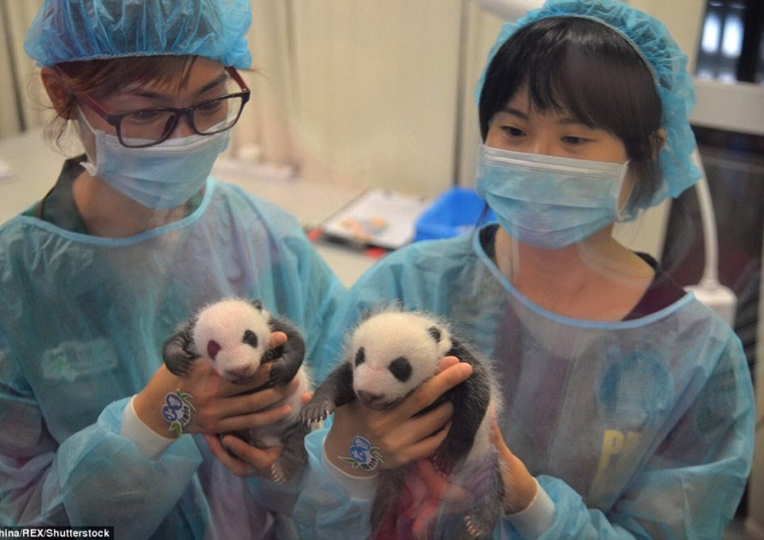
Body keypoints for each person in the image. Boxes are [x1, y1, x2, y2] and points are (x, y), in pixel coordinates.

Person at [291, 0, 756, 538]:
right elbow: (301, 495)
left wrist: (529, 503)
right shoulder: (407, 288)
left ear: (647, 152)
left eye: (574, 140)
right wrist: (354, 457)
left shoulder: (695, 358)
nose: (539, 157)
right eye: (513, 131)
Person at [0, 0, 345, 537]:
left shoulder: (263, 236)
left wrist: (289, 460)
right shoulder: (3, 288)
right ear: (64, 94)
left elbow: (348, 455)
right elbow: (0, 519)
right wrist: (162, 418)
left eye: (208, 105)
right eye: (146, 114)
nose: (183, 140)